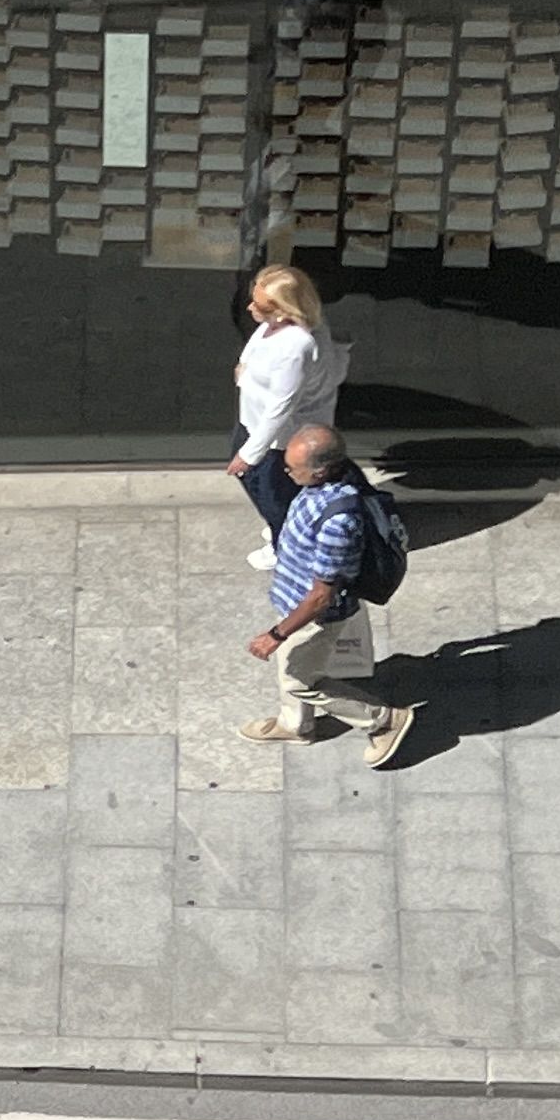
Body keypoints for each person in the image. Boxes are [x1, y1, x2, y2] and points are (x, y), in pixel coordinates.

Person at [242, 424, 418, 766]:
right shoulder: (329, 480)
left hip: (314, 616)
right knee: (291, 666)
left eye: (294, 467)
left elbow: (322, 595)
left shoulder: (339, 523)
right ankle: (295, 725)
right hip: (293, 600)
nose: (286, 470)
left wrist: (277, 634)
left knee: (299, 680)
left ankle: (383, 720)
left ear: (321, 471)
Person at [228, 263, 348, 571]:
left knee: (270, 492)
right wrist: (244, 367)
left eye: (261, 305)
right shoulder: (286, 325)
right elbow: (258, 339)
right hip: (256, 421)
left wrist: (250, 455)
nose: (251, 307)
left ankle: (285, 545)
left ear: (284, 311)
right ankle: (282, 525)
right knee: (277, 490)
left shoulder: (295, 347)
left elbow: (281, 406)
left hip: (278, 439)